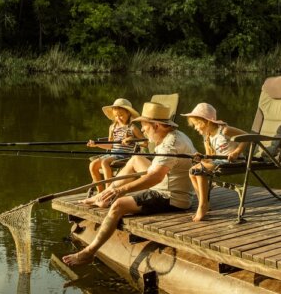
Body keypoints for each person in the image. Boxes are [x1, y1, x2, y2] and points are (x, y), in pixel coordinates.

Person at [62, 101, 196, 267]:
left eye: (145, 125)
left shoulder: (171, 145)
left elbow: (155, 178)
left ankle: (89, 252)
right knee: (136, 159)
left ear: (156, 125)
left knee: (118, 204)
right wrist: (117, 188)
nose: (144, 130)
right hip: (167, 184)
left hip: (170, 196)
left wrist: (122, 190)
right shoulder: (173, 136)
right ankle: (102, 196)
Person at [183, 102, 246, 222]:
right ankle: (205, 201)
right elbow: (210, 157)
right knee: (192, 171)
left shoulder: (225, 130)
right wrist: (202, 158)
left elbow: (247, 137)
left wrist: (237, 152)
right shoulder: (207, 136)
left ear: (206, 121)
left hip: (233, 161)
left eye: (197, 124)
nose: (196, 128)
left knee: (199, 170)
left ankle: (203, 206)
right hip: (219, 161)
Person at [86, 98, 143, 193]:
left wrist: (132, 139)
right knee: (92, 165)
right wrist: (96, 144)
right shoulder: (112, 128)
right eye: (116, 116)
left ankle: (107, 191)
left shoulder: (132, 128)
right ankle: (100, 192)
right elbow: (110, 145)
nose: (118, 118)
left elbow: (145, 142)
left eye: (121, 115)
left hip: (125, 155)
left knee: (104, 162)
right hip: (113, 154)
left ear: (128, 113)